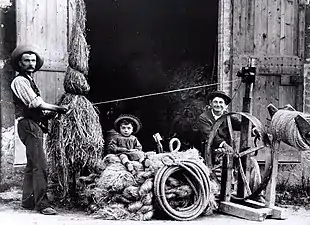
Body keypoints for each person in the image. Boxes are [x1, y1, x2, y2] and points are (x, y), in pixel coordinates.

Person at [10, 45, 68, 215]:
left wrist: (51, 114)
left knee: (32, 164)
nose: (31, 64)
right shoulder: (20, 81)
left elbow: (39, 109)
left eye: (33, 60)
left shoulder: (29, 80)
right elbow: (35, 104)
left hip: (32, 124)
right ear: (19, 63)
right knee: (40, 165)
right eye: (26, 61)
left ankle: (27, 201)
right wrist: (57, 108)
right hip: (28, 125)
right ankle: (42, 204)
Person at [199, 90, 264, 202]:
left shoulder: (228, 117)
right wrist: (224, 144)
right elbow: (209, 135)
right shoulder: (204, 118)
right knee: (224, 164)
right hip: (210, 153)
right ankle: (222, 194)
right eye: (215, 102)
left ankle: (257, 195)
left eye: (221, 103)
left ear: (225, 105)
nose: (218, 105)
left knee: (252, 162)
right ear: (210, 104)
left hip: (228, 153)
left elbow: (242, 125)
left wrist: (253, 130)